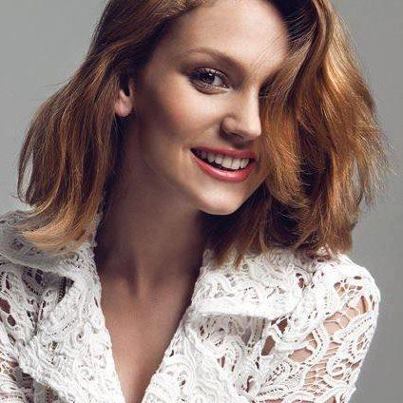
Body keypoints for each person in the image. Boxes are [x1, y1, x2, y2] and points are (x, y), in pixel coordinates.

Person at [0, 0, 390, 402]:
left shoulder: (322, 304)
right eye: (211, 78)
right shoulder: (11, 274)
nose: (249, 126)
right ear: (126, 82)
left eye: (277, 96)